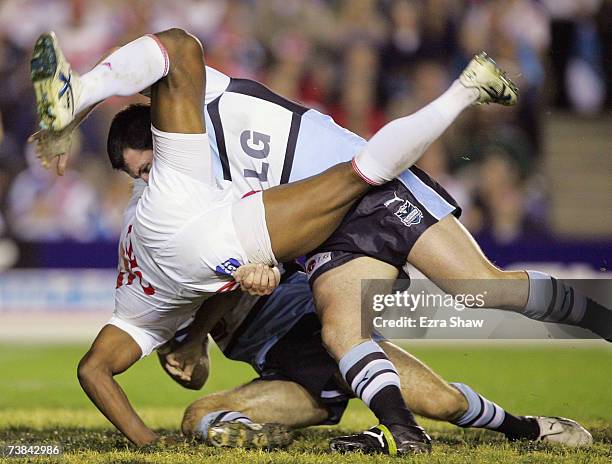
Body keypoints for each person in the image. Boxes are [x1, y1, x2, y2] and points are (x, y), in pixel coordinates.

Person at [30, 28, 518, 453]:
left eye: (147, 165)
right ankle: (517, 426)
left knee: (439, 396)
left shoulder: (175, 194)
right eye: (138, 174)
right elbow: (188, 366)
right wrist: (209, 321)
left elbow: (106, 364)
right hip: (281, 352)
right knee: (204, 410)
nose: (147, 177)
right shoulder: (171, 208)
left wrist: (235, 287)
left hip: (300, 308)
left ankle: (525, 426)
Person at [155, 271, 593, 450]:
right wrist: (187, 349)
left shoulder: (227, 228)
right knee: (198, 414)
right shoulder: (166, 289)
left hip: (320, 331)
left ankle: (526, 427)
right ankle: (256, 433)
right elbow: (196, 377)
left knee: (444, 405)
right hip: (285, 373)